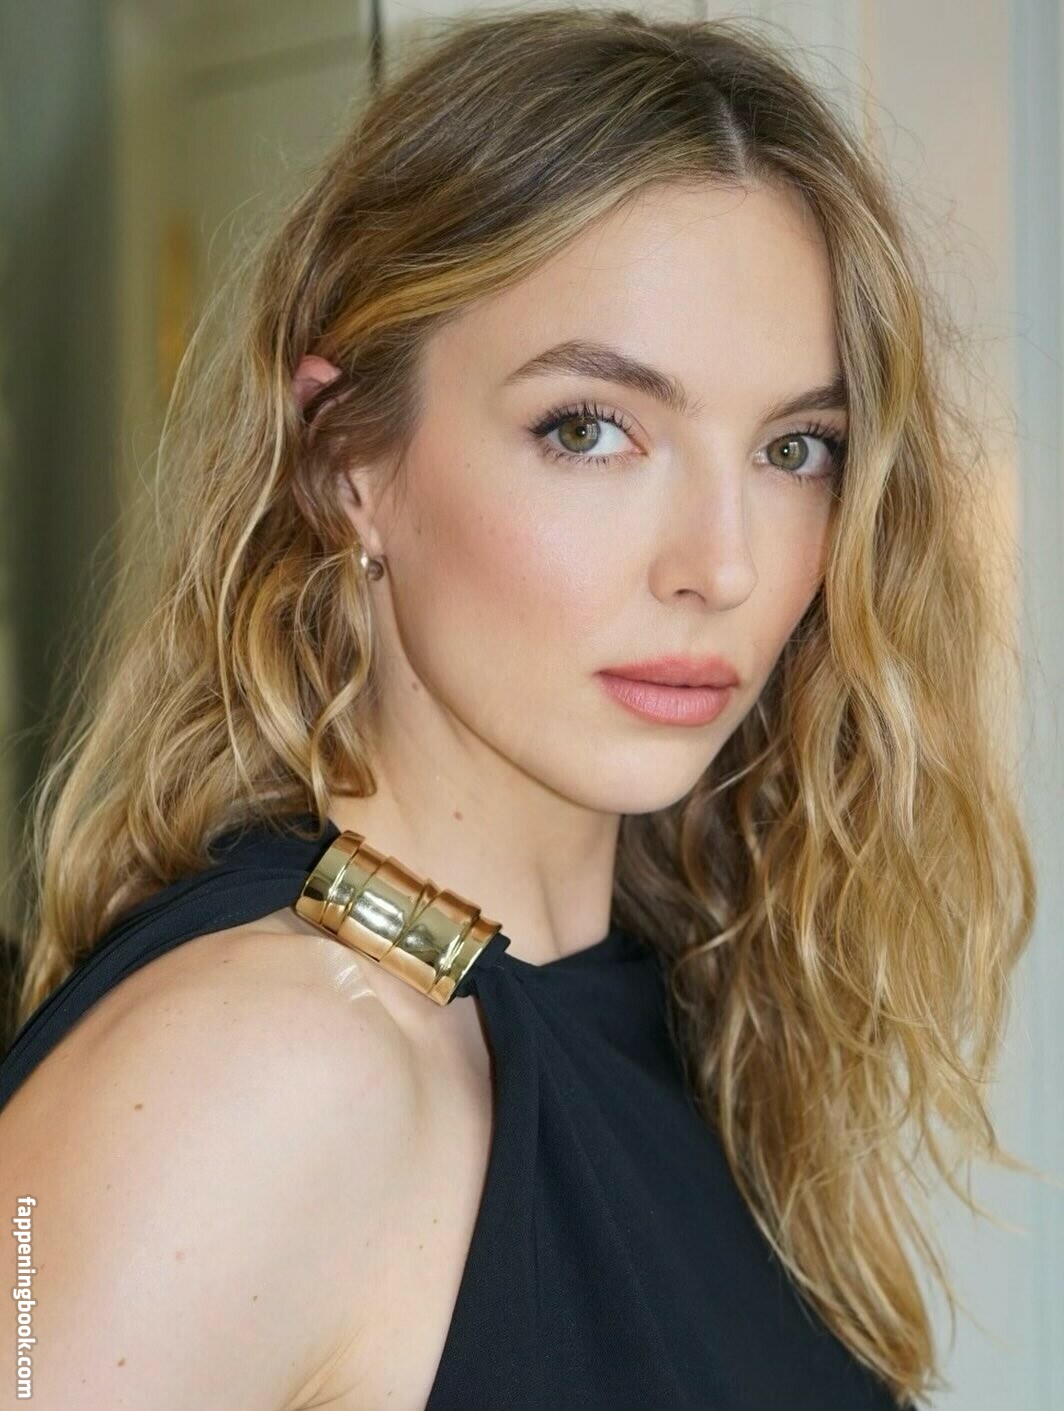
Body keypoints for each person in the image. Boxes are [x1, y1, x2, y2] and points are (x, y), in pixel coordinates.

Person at [0, 8, 1037, 1410]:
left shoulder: (677, 1008)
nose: (721, 566)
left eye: (797, 448)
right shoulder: (270, 1074)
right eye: (590, 430)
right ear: (347, 459)